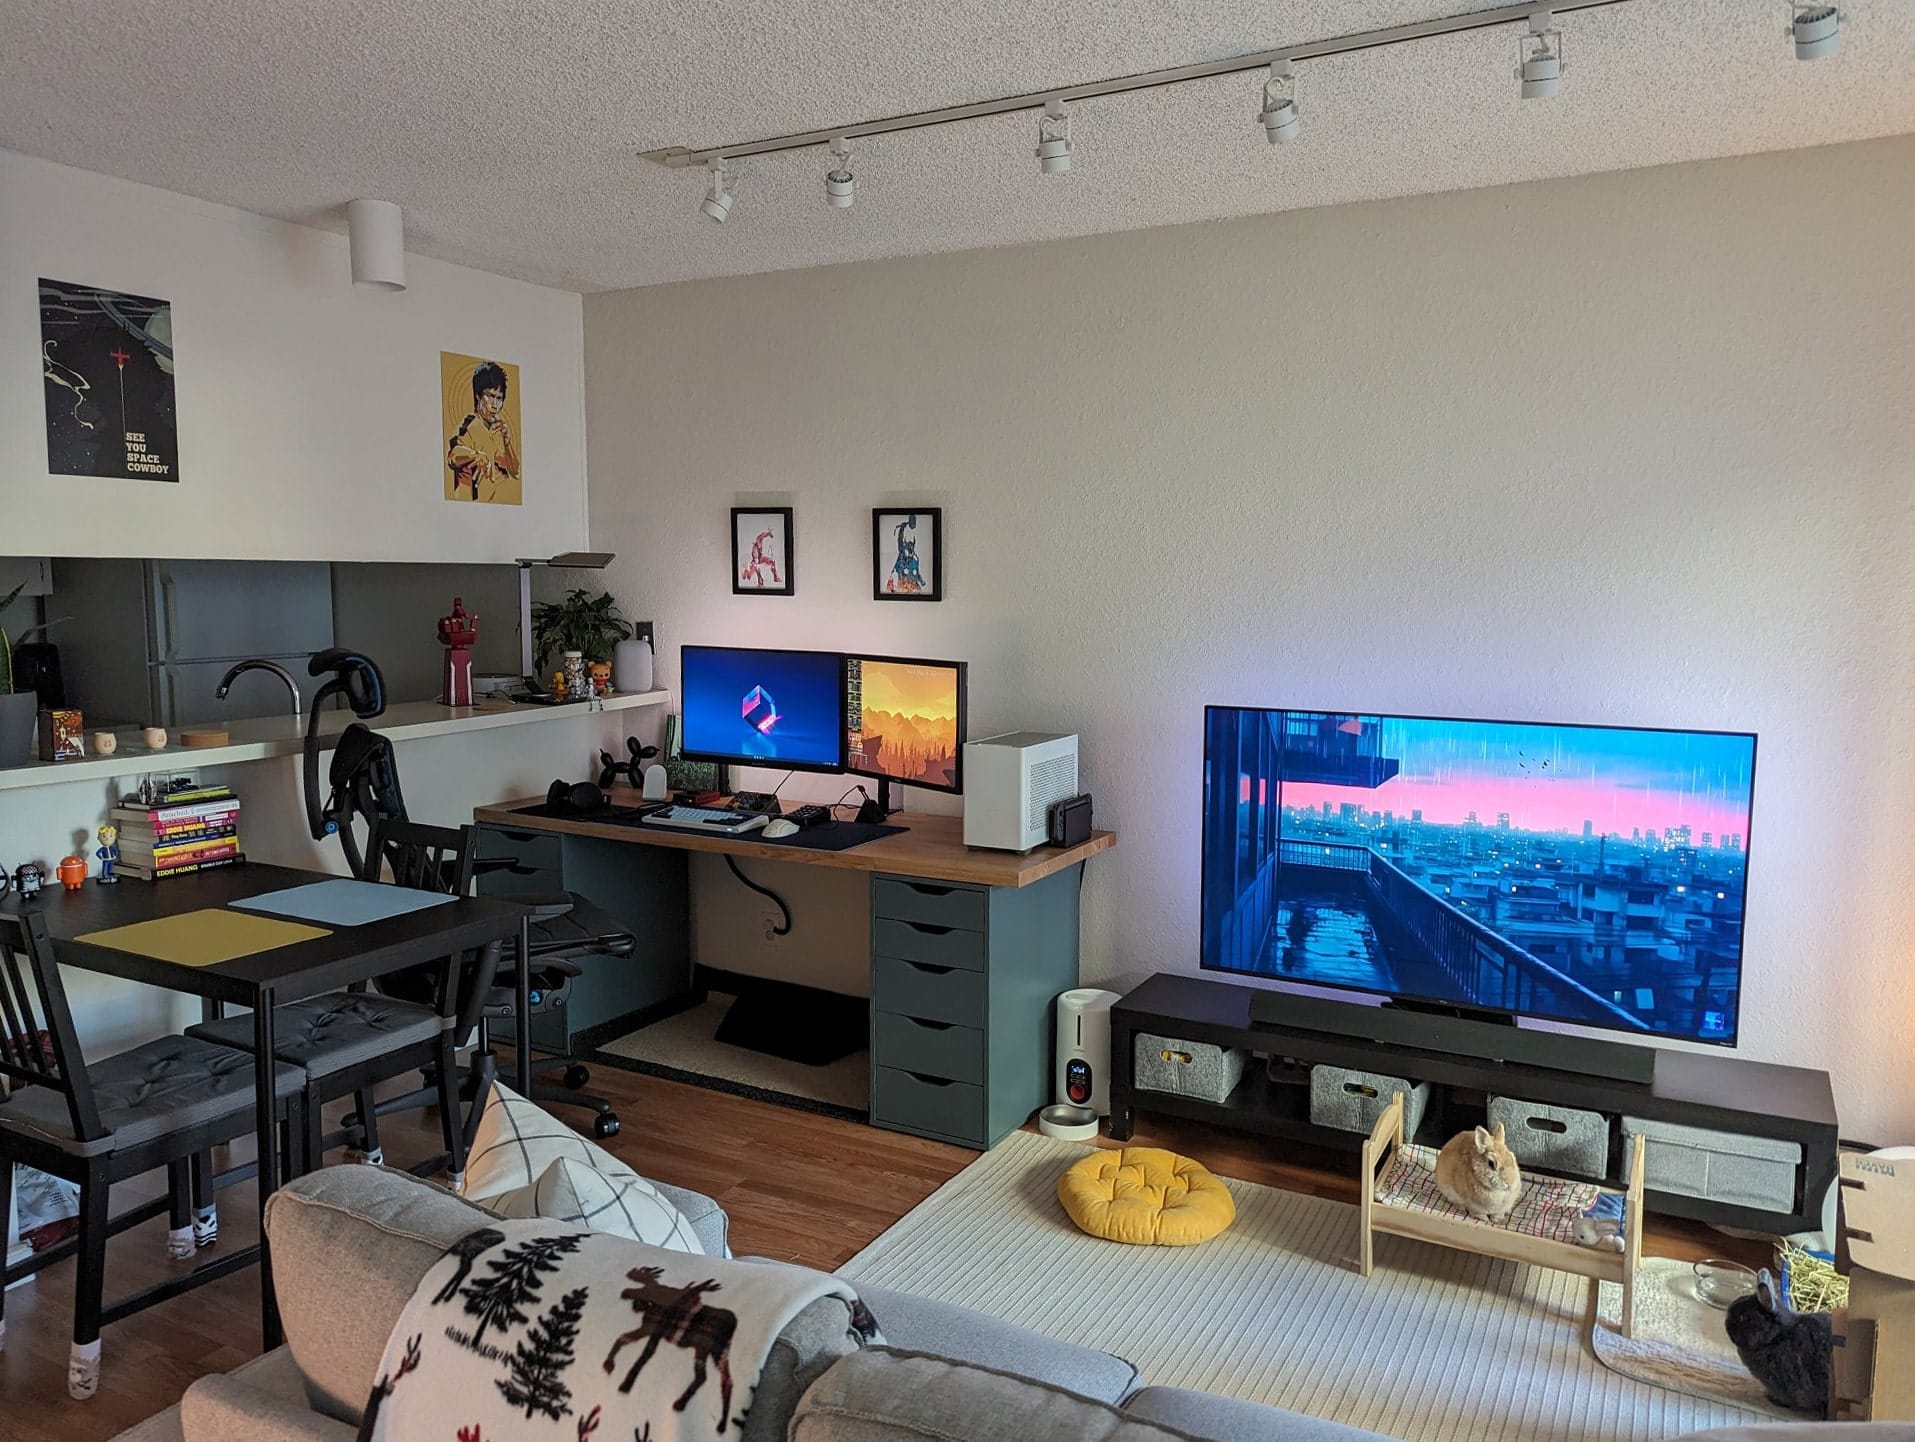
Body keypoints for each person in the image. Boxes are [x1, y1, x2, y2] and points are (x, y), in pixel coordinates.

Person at [447, 361, 520, 501]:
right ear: (478, 396)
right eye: (490, 396)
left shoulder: (498, 429)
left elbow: (515, 472)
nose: (495, 405)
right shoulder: (468, 425)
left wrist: (507, 442)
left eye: (499, 398)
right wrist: (476, 455)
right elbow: (453, 456)